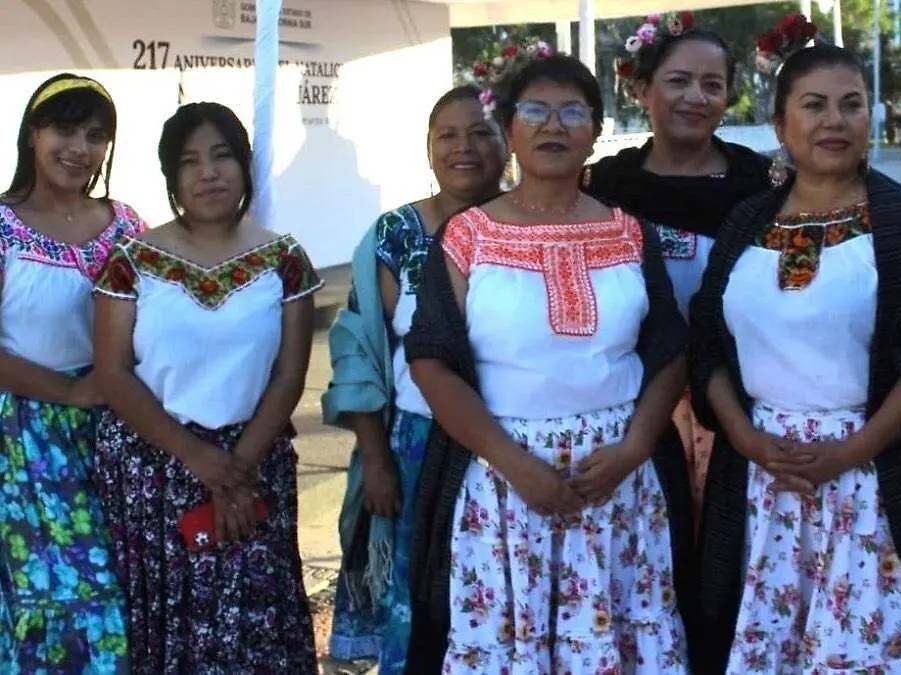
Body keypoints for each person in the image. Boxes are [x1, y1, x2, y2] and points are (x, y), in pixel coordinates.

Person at [403, 51, 694, 674]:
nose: (553, 125)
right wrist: (517, 467)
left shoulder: (628, 232)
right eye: (535, 110)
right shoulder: (467, 235)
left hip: (617, 480)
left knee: (621, 636)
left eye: (573, 112)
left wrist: (634, 449)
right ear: (509, 128)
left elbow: (668, 348)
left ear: (595, 131)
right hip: (502, 484)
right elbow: (431, 361)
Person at [692, 17, 901, 674]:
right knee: (758, 639)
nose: (834, 120)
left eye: (852, 103)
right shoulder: (746, 222)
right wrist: (745, 436)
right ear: (781, 125)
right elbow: (705, 343)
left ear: (872, 117)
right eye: (813, 105)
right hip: (760, 473)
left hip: (870, 474)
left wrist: (849, 452)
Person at [92, 102, 321, 673]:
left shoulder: (283, 259)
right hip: (155, 468)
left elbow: (290, 374)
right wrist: (200, 460)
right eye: (190, 161)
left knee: (256, 621)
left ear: (244, 166)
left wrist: (235, 467)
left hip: (254, 463)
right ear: (171, 178)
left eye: (222, 156)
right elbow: (113, 373)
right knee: (170, 627)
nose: (208, 172)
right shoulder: (131, 261)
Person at [322, 84, 507, 671]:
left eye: (482, 132)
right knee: (423, 599)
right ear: (428, 149)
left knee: (498, 595)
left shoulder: (532, 226)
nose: (465, 148)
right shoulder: (394, 235)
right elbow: (358, 356)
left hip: (511, 447)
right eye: (448, 135)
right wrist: (376, 458)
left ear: (509, 142)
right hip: (417, 448)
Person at [583, 11, 770, 520]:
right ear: (642, 89)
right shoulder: (604, 187)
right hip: (630, 407)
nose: (696, 96)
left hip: (736, 403)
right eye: (678, 81)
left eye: (713, 84)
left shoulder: (763, 186)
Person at [0, 72, 142, 674]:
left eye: (95, 134)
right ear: (32, 134)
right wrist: (74, 391)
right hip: (26, 442)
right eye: (63, 128)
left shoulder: (125, 224)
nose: (78, 146)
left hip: (120, 433)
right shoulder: (3, 227)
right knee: (60, 602)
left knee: (128, 591)